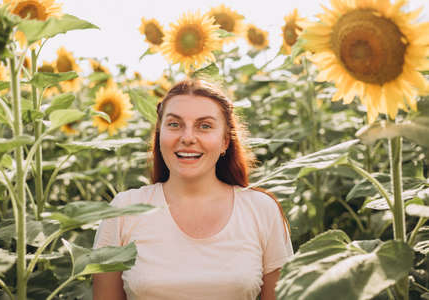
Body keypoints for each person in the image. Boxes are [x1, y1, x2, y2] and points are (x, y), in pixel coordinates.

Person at [93, 79, 294, 300]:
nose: (187, 137)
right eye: (174, 124)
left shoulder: (261, 210)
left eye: (204, 126)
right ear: (160, 135)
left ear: (225, 141)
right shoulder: (124, 211)